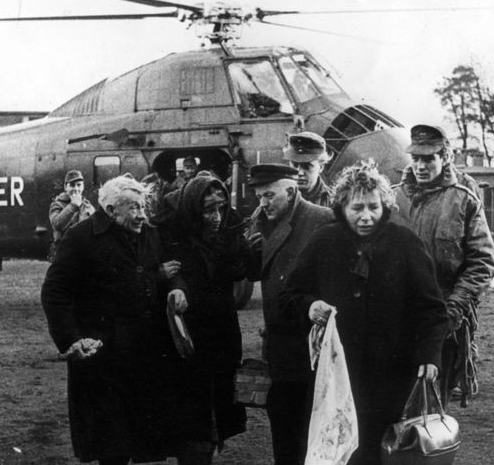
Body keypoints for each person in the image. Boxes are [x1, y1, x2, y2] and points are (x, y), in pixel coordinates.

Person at [282, 160, 448, 465]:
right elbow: (290, 293)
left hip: (393, 375)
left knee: (386, 450)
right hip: (338, 377)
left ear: (385, 205)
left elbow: (433, 309)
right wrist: (310, 306)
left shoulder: (405, 243)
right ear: (342, 206)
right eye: (357, 208)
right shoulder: (323, 241)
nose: (367, 216)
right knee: (343, 452)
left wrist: (430, 356)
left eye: (374, 206)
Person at [40, 175, 189, 465]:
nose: (142, 215)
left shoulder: (149, 233)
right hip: (102, 356)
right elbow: (55, 291)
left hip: (144, 354)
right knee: (111, 446)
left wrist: (176, 287)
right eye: (133, 208)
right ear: (110, 210)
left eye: (143, 206)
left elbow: (169, 269)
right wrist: (71, 339)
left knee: (140, 439)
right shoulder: (81, 237)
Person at [390, 124, 494, 406]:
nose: (421, 166)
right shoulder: (391, 199)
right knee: (390, 406)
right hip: (394, 320)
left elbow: (483, 263)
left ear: (445, 157)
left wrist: (453, 310)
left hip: (443, 319)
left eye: (429, 159)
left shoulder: (463, 199)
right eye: (416, 158)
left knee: (431, 410)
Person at [152, 174, 251, 464]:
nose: (216, 216)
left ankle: (210, 442)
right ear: (194, 209)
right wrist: (171, 283)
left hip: (221, 325)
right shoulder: (172, 230)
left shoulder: (230, 228)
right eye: (208, 210)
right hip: (187, 329)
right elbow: (168, 270)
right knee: (191, 404)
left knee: (220, 394)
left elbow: (242, 270)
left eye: (220, 207)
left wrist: (243, 246)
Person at [245, 163, 334, 465]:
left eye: (269, 195)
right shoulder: (259, 222)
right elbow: (253, 275)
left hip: (311, 348)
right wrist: (250, 252)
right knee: (284, 434)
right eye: (259, 196)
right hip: (279, 350)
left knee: (311, 434)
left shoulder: (322, 220)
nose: (263, 203)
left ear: (292, 191)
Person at [48, 169, 95, 259]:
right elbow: (57, 224)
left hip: (83, 255)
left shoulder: (88, 207)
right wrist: (73, 205)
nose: (76, 189)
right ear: (66, 187)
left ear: (83, 187)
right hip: (63, 255)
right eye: (72, 185)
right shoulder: (57, 204)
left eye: (79, 185)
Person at [283, 131, 333, 207]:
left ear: (321, 167)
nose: (299, 172)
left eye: (307, 166)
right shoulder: (279, 197)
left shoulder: (333, 201)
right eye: (295, 165)